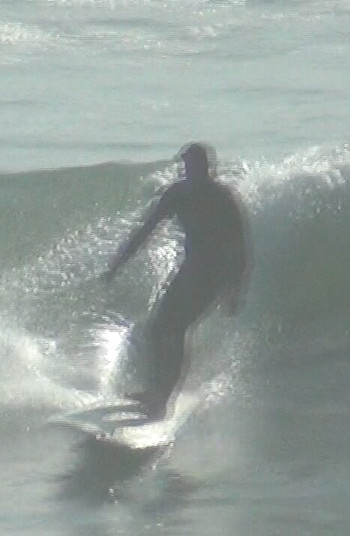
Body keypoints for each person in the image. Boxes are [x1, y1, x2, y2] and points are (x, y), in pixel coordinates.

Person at [101, 142, 250, 419]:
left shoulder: (222, 198)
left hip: (214, 275)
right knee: (159, 329)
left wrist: (234, 289)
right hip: (191, 270)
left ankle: (163, 399)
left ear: (208, 168)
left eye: (196, 166)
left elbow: (240, 247)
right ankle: (157, 392)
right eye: (187, 166)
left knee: (177, 328)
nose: (191, 171)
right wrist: (117, 265)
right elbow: (145, 231)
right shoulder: (177, 194)